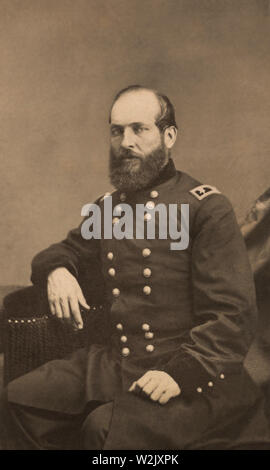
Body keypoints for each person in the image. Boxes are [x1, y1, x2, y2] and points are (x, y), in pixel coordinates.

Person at [3, 85, 270, 449]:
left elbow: (232, 316)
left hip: (194, 373)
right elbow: (63, 250)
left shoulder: (205, 208)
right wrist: (58, 270)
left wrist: (181, 374)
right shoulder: (109, 208)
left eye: (139, 129)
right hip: (118, 361)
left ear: (169, 135)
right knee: (19, 397)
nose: (125, 141)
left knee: (104, 429)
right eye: (117, 130)